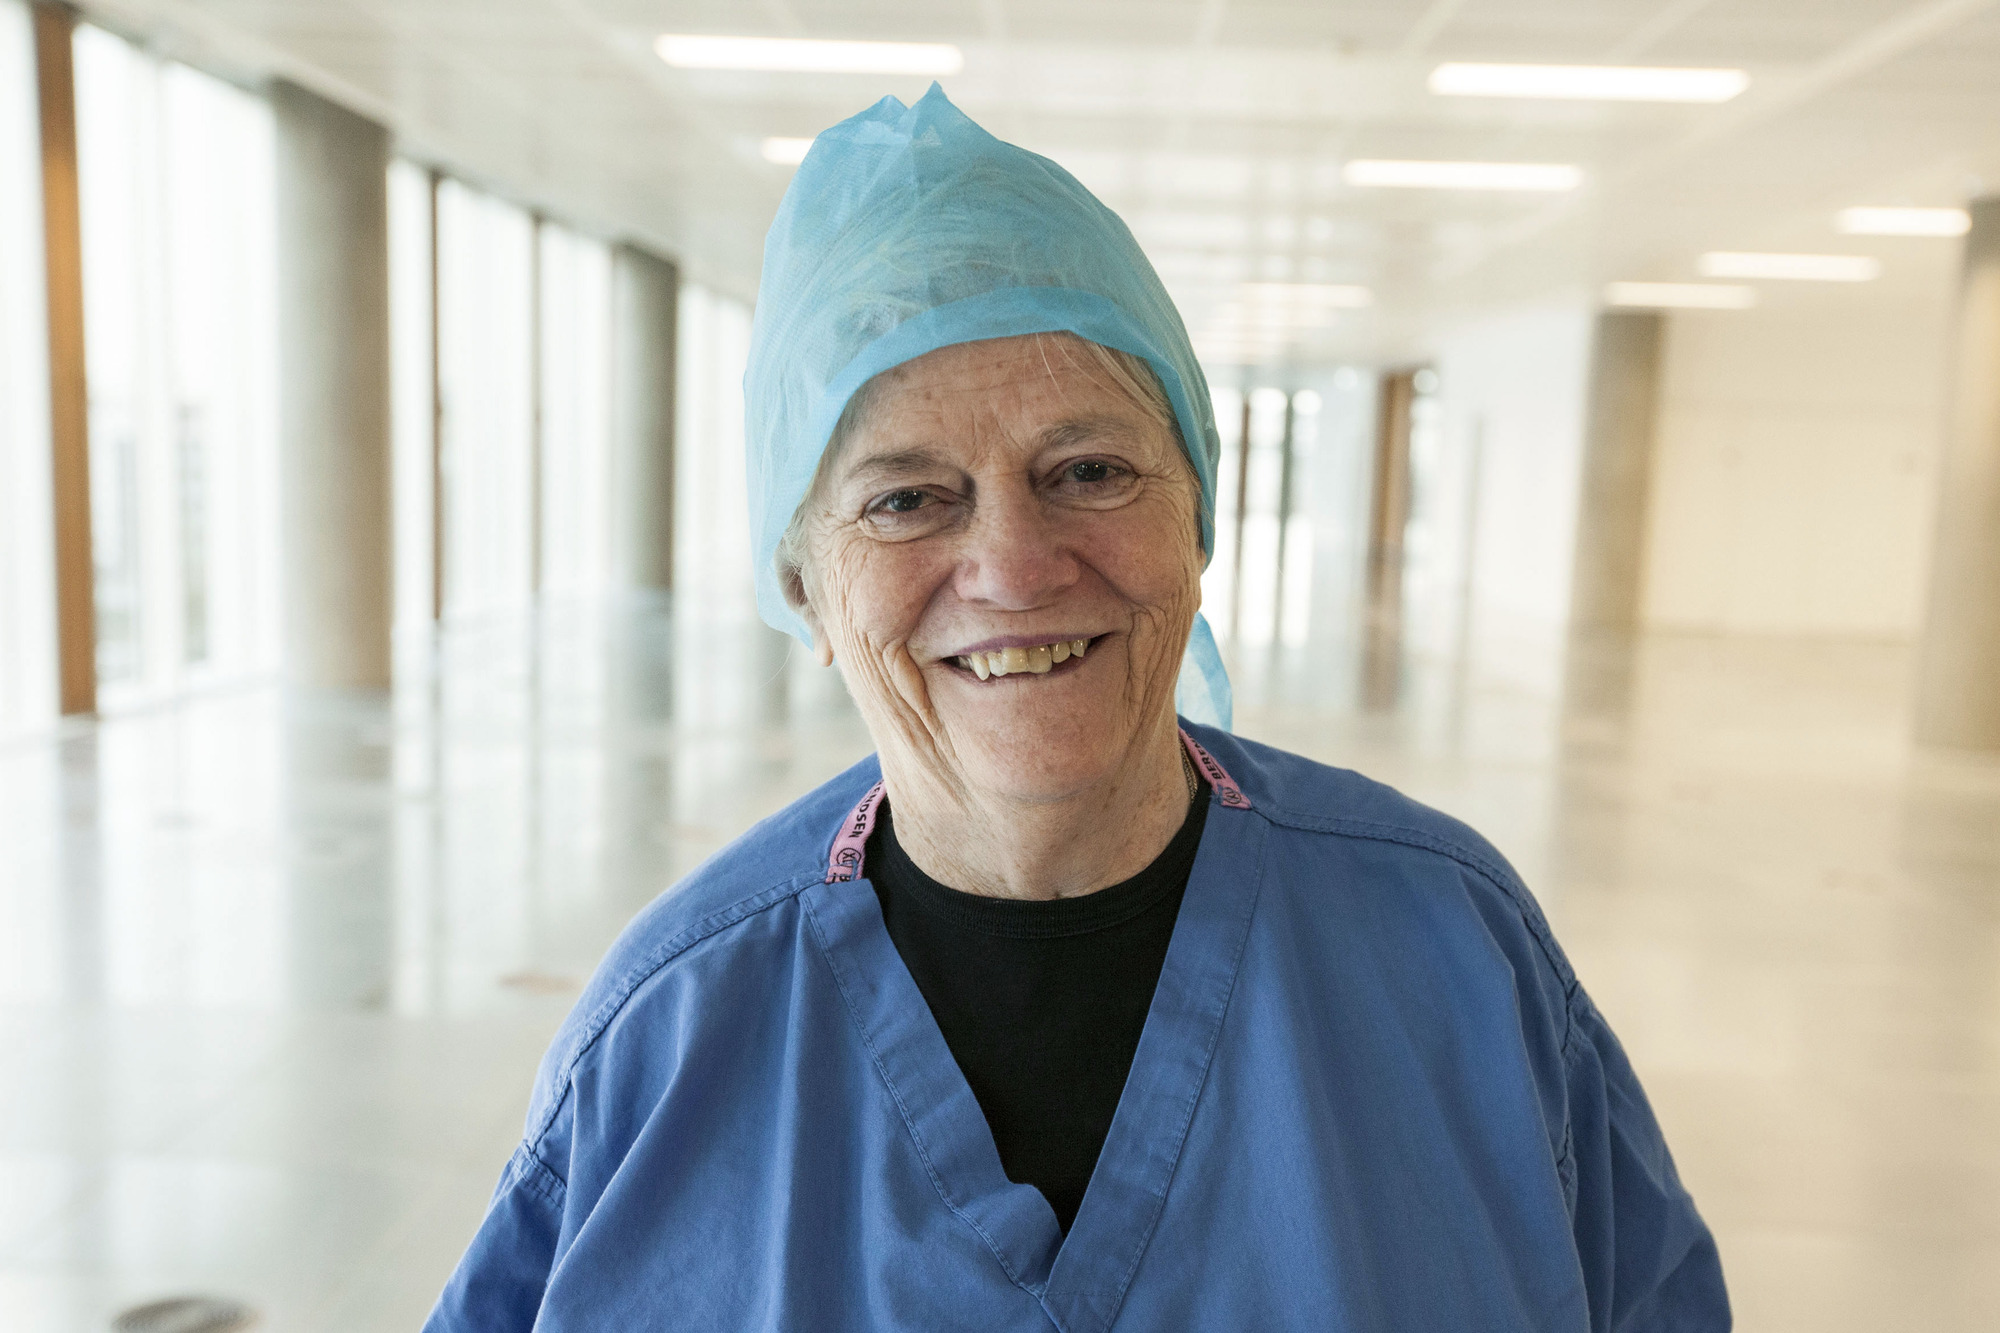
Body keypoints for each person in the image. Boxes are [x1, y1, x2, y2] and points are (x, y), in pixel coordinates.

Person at [426, 86, 1728, 1332]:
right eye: (905, 497)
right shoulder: (665, 1043)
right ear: (805, 589)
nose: (1012, 565)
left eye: (1090, 469)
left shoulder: (1457, 950)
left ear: (1198, 515)